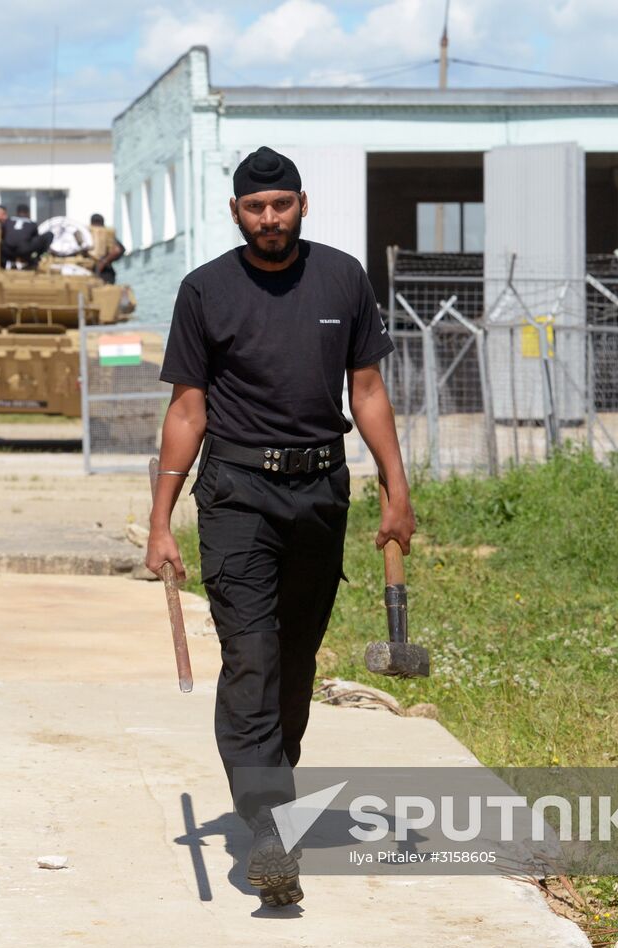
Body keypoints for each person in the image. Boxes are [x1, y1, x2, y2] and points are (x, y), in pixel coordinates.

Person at [146, 146, 415, 909]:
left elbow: (366, 390)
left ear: (301, 205)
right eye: (256, 207)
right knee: (253, 658)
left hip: (321, 493)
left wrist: (396, 489)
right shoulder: (205, 291)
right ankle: (267, 827)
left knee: (294, 663)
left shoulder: (341, 278)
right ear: (236, 213)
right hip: (236, 495)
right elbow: (187, 410)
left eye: (282, 204)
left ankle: (267, 790)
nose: (270, 218)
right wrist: (160, 521)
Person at [0, 204, 55, 268]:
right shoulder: (32, 223)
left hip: (7, 251)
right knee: (49, 235)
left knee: (1, 239)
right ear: (28, 213)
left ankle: (2, 263)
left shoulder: (8, 220)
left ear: (17, 212)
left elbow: (2, 234)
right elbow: (35, 238)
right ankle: (36, 260)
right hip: (23, 250)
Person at [89, 213, 125, 283]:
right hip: (105, 273)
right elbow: (118, 250)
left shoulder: (89, 234)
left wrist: (103, 262)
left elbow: (117, 250)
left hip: (102, 272)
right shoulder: (107, 235)